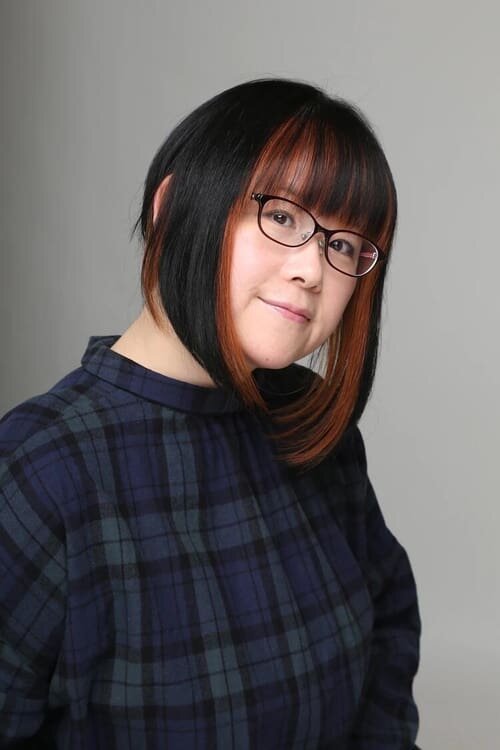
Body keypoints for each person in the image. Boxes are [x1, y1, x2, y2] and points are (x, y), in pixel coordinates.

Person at [0, 79, 421, 749]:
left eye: (343, 245)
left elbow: (389, 628)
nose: (313, 270)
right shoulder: (41, 471)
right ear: (172, 209)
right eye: (282, 216)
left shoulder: (312, 428)